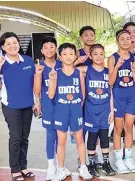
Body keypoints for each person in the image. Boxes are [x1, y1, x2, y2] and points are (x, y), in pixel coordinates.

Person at [0, 32, 40, 181]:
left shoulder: (29, 61)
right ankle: (15, 169)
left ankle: (23, 166)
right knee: (16, 137)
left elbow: (34, 85)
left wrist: (37, 100)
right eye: (8, 44)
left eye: (14, 42)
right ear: (3, 47)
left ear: (18, 43)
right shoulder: (1, 63)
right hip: (11, 106)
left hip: (28, 105)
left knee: (25, 137)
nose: (12, 46)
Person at [47, 43, 92, 180]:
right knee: (61, 141)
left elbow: (83, 95)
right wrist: (52, 79)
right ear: (59, 57)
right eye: (65, 54)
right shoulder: (56, 73)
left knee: (79, 139)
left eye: (71, 54)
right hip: (61, 110)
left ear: (75, 56)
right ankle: (60, 169)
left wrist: (76, 106)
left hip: (75, 110)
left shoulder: (79, 73)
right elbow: (50, 95)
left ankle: (83, 167)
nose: (68, 56)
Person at [33, 36, 72, 180]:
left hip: (63, 105)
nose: (49, 50)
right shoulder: (39, 66)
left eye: (52, 46)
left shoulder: (63, 64)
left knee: (61, 137)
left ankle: (60, 165)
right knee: (51, 135)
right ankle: (51, 166)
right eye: (46, 47)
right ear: (42, 50)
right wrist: (37, 75)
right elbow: (37, 89)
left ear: (56, 49)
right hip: (49, 106)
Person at [77, 44, 116, 177]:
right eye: (95, 54)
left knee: (104, 138)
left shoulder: (107, 71)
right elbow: (68, 67)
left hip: (105, 109)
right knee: (92, 138)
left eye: (101, 53)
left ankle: (106, 163)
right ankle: (92, 164)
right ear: (90, 56)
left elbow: (111, 92)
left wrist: (112, 111)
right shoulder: (86, 69)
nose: (99, 56)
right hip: (90, 109)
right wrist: (78, 60)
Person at [107, 29, 135, 174]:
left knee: (129, 127)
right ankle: (119, 159)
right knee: (118, 128)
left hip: (131, 96)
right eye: (122, 39)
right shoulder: (112, 58)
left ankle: (128, 158)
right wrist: (117, 67)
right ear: (117, 41)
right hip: (118, 97)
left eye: (128, 38)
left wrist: (134, 72)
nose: (126, 41)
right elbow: (110, 82)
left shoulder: (134, 58)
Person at [123, 22, 135, 145]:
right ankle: (125, 151)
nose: (132, 34)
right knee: (129, 119)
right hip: (129, 90)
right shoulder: (123, 53)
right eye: (129, 32)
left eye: (134, 31)